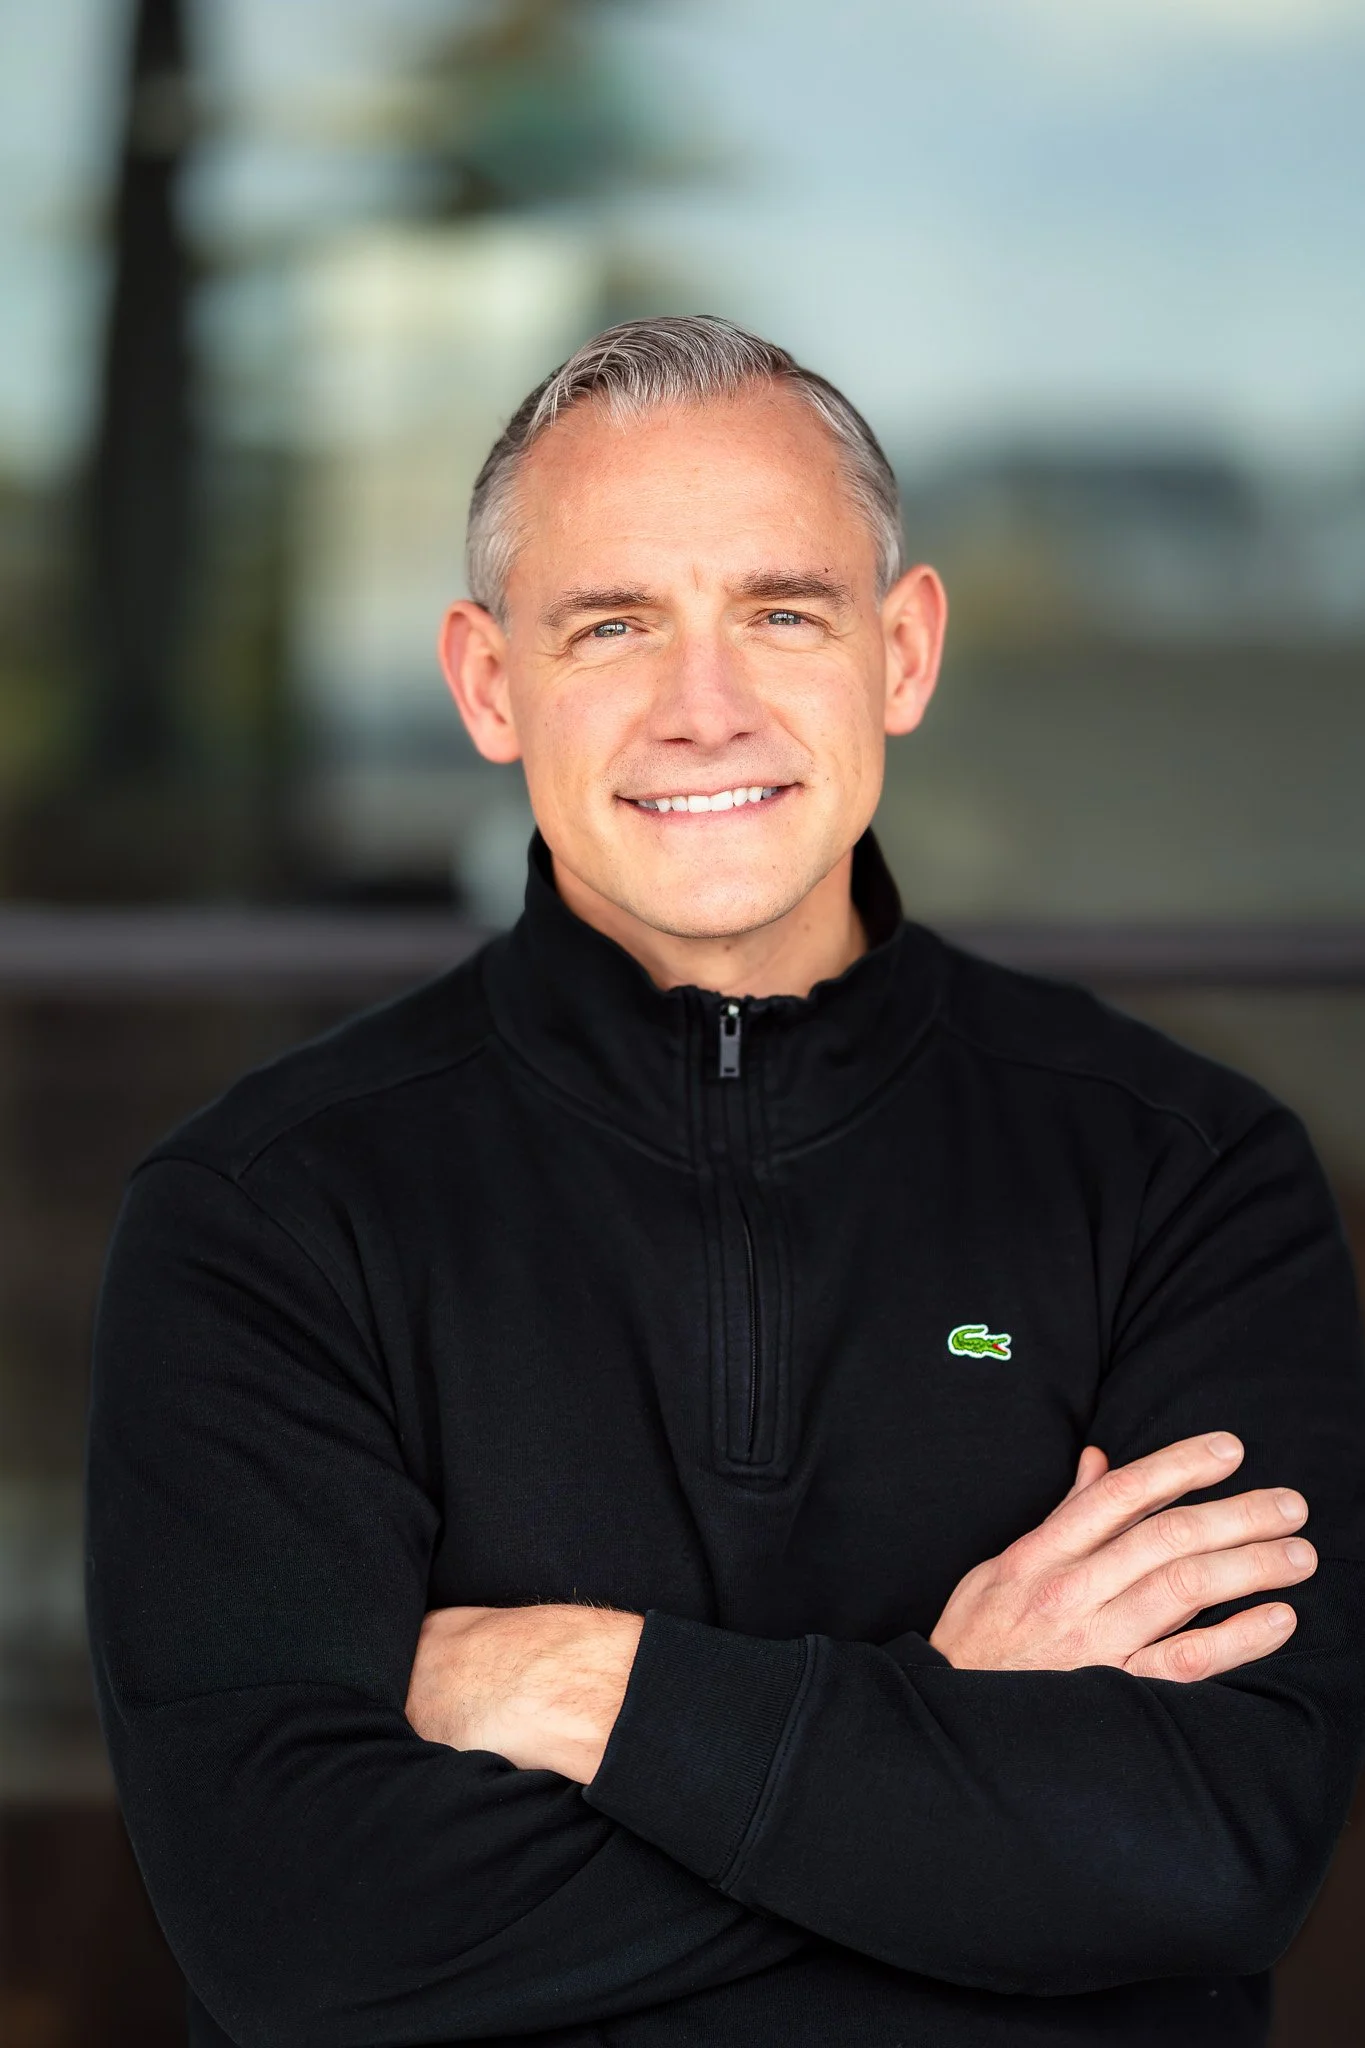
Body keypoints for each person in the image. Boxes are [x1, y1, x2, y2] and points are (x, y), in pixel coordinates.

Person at [85, 316, 1365, 2048]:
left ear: (903, 654)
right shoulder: (266, 1214)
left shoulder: (1182, 1177)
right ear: (488, 684)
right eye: (613, 625)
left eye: (783, 613)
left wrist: (585, 1689)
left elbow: (1207, 1848)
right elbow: (301, 1932)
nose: (706, 711)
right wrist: (954, 1736)